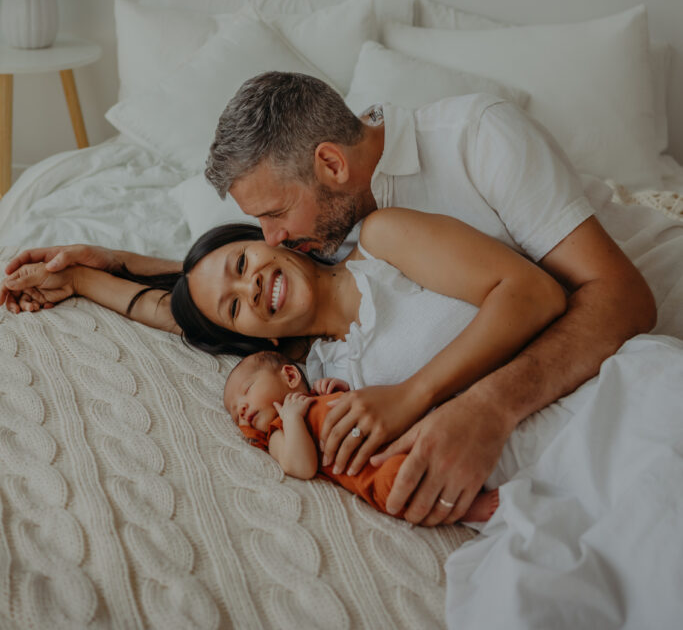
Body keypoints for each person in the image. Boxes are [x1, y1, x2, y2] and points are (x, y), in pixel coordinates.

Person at [4, 72, 665, 527]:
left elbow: (614, 300)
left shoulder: (474, 141)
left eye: (272, 216)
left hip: (629, 336)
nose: (273, 237)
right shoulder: (322, 258)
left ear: (328, 164)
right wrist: (98, 267)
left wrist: (472, 408)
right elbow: (229, 294)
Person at [2, 206, 568, 527]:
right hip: (531, 489)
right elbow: (173, 309)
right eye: (234, 309)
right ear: (252, 337)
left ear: (280, 240)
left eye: (245, 261)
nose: (250, 287)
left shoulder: (382, 243)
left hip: (588, 405)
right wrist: (78, 277)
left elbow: (535, 294)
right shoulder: (312, 371)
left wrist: (414, 394)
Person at [224, 349, 500, 523]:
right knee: (401, 475)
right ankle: (465, 510)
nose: (242, 408)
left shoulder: (317, 396)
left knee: (436, 434)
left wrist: (340, 391)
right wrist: (292, 418)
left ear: (290, 375)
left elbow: (365, 408)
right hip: (375, 472)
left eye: (247, 390)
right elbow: (301, 465)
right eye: (235, 412)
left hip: (394, 436)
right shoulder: (278, 431)